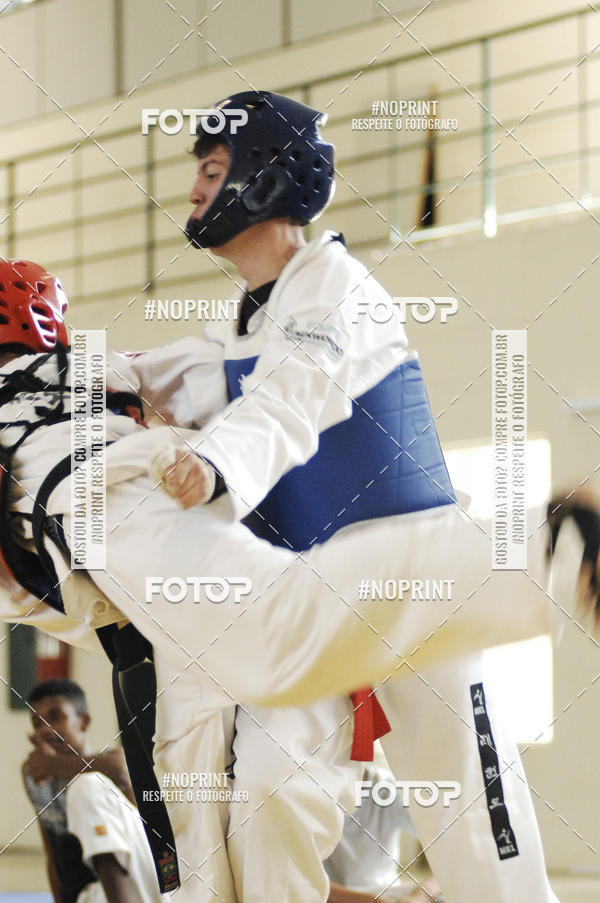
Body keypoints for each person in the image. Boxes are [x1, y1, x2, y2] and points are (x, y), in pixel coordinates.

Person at [0, 257, 594, 902]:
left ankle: (555, 545)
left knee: (275, 631)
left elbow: (265, 390)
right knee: (227, 833)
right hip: (151, 615)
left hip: (128, 516)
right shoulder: (98, 370)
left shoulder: (84, 382)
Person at [124, 89, 567, 902]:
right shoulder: (236, 326)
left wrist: (215, 460)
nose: (192, 192)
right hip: (316, 608)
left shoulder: (336, 288)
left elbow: (290, 397)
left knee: (474, 818)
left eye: (214, 171)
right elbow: (171, 374)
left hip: (415, 592)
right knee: (266, 790)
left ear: (264, 177)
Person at [22, 678, 166, 903]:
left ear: (84, 722)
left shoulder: (112, 761)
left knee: (86, 785)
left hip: (144, 885)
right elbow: (52, 852)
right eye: (37, 723)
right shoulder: (37, 777)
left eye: (55, 717)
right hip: (92, 895)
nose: (46, 730)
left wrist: (51, 764)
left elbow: (120, 769)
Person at [325, 764, 444, 903]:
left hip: (386, 891)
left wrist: (422, 894)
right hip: (327, 896)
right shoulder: (307, 792)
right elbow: (303, 882)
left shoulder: (387, 789)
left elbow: (458, 852)